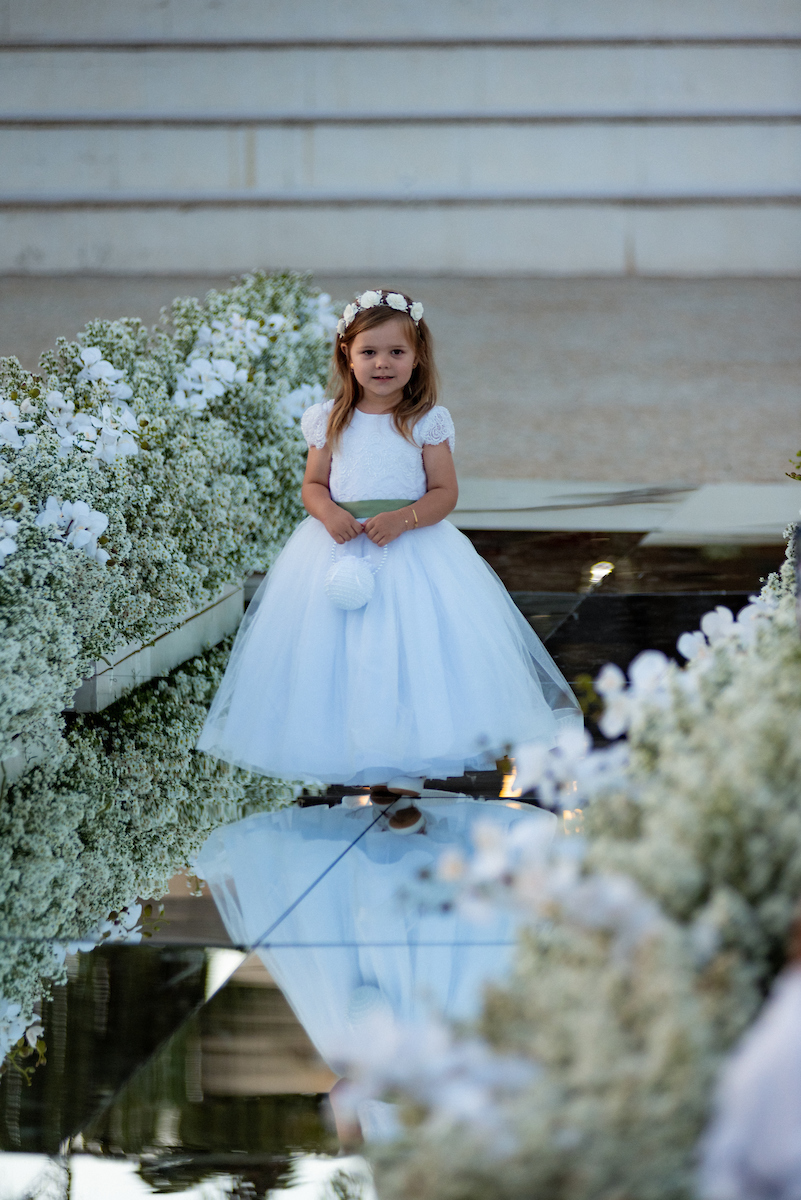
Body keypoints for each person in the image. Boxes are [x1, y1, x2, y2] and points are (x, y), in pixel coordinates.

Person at [197, 289, 581, 830]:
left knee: (410, 652)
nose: (382, 364)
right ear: (347, 357)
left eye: (396, 353)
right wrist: (327, 513)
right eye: (369, 353)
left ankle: (405, 772)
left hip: (410, 548)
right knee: (341, 654)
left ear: (417, 357)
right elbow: (311, 484)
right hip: (337, 546)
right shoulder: (328, 419)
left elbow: (445, 493)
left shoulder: (425, 422)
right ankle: (359, 753)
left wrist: (404, 519)